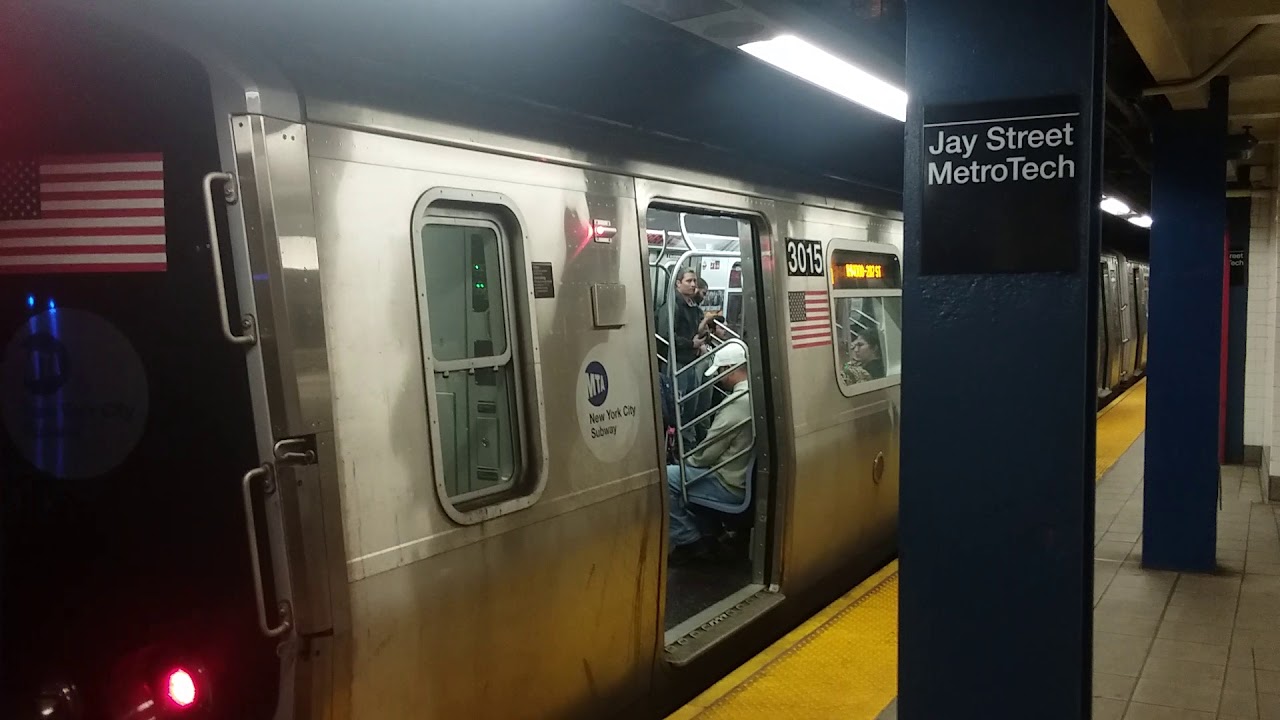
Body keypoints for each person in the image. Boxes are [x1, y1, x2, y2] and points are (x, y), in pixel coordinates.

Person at [666, 343, 754, 564]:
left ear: (731, 369)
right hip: (742, 477)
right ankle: (710, 534)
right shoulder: (754, 395)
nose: (718, 379)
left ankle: (690, 542)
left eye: (720, 373)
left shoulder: (736, 403)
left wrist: (685, 462)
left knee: (667, 478)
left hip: (729, 484)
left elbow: (706, 454)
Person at [657, 269, 708, 447]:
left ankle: (686, 443)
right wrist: (691, 344)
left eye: (694, 281)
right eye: (689, 281)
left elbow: (694, 331)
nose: (693, 284)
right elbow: (666, 335)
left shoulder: (693, 307)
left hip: (690, 361)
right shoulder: (672, 306)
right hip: (676, 362)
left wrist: (702, 335)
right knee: (677, 407)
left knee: (690, 406)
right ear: (678, 283)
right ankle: (676, 446)